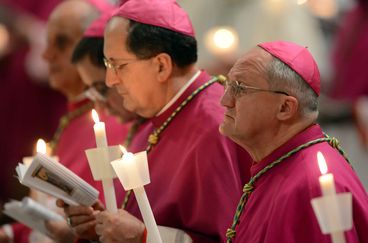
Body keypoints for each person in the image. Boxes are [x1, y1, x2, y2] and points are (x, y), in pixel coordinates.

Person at [62, 0, 251, 242]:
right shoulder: (156, 116)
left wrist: (143, 236)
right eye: (108, 65)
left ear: (161, 66)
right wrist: (100, 225)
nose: (110, 80)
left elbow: (232, 237)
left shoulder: (216, 127)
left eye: (117, 65)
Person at [0, 1, 129, 243]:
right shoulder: (73, 118)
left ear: (95, 49)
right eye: (47, 42)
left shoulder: (112, 123)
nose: (46, 54)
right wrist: (8, 234)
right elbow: (55, 213)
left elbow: (103, 222)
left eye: (61, 43)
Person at [219, 40, 368, 243]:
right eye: (228, 84)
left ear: (285, 108)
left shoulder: (312, 186)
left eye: (240, 88)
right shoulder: (277, 161)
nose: (224, 100)